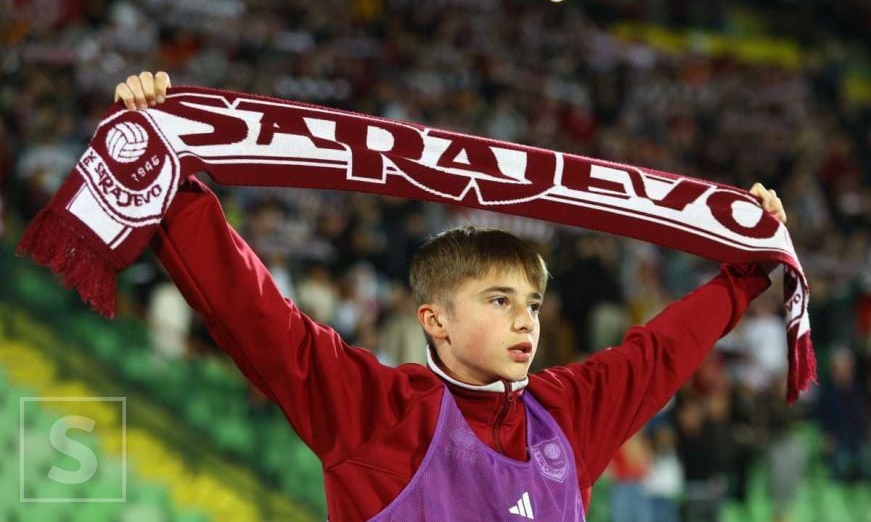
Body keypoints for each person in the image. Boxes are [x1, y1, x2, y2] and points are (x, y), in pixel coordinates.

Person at [114, 71, 787, 521]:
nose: (525, 320)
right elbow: (253, 313)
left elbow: (660, 352)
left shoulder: (568, 415)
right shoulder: (374, 413)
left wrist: (744, 271)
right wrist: (164, 173)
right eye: (499, 301)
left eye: (530, 302)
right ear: (433, 320)